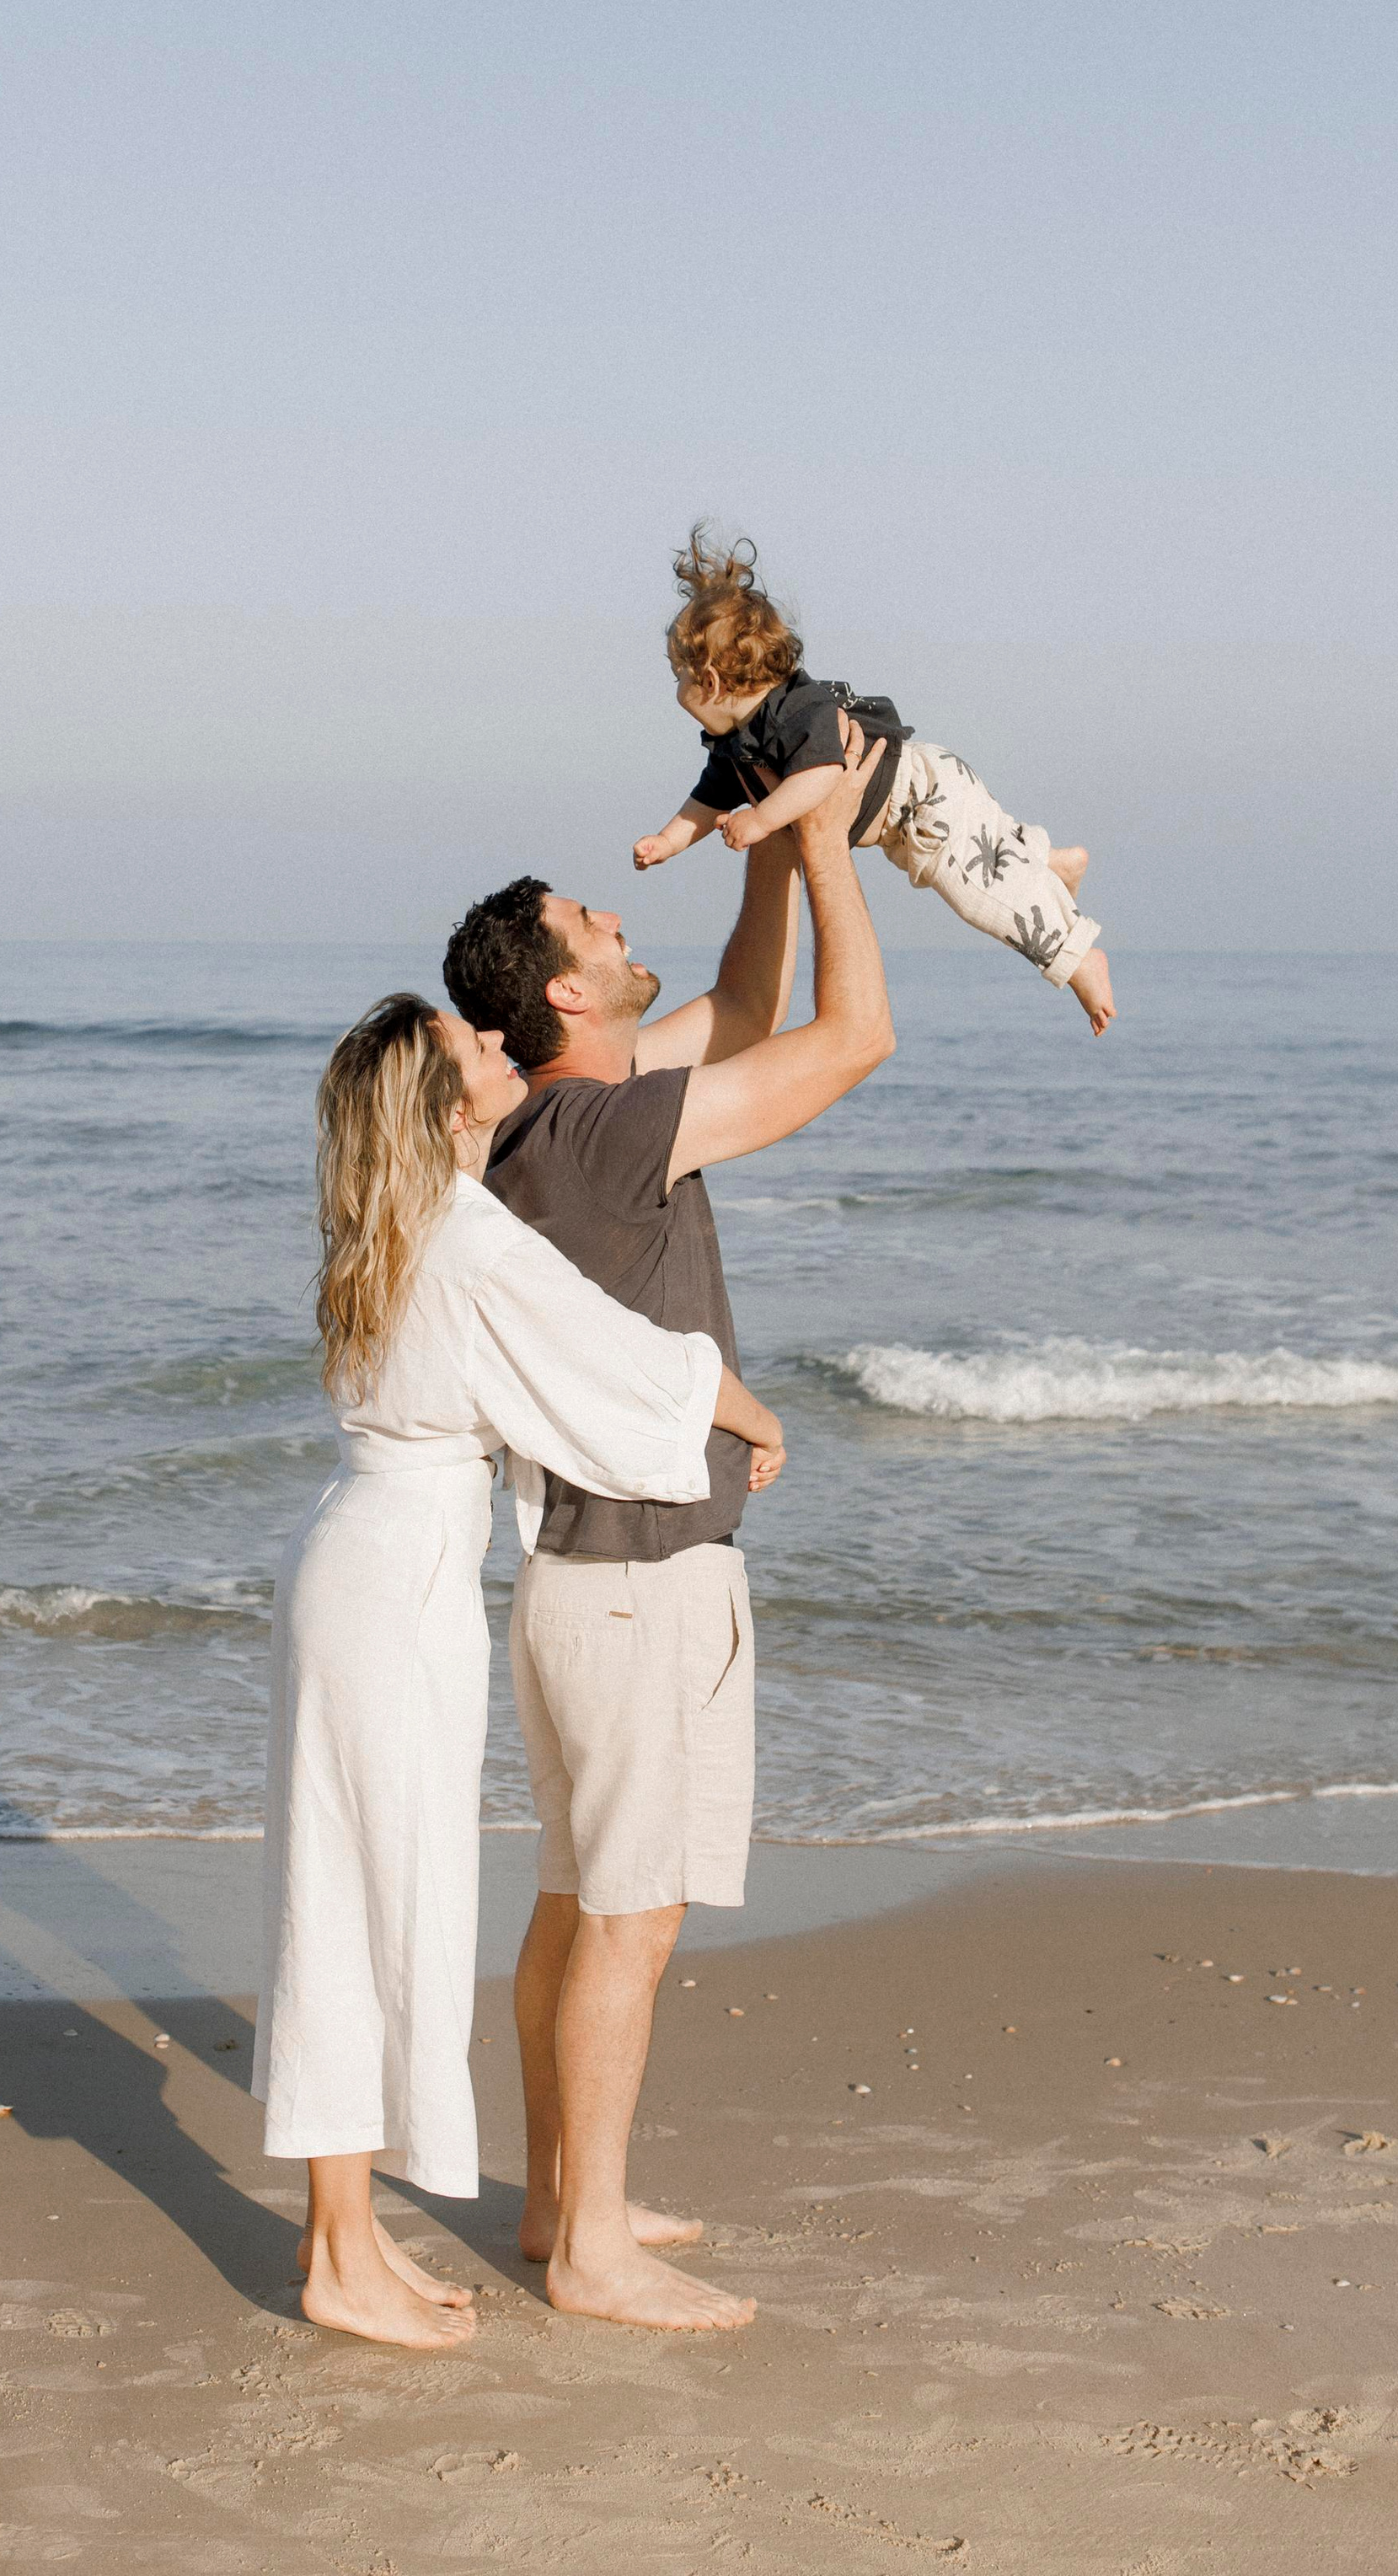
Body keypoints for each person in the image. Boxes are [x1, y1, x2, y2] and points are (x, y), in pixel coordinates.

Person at [254, 992, 786, 2352]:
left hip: (351, 1567)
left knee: (342, 1905)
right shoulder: (469, 1237)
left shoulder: (392, 1226)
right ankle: (339, 2258)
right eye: (473, 1050)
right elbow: (609, 1358)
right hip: (398, 1591)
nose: (499, 1047)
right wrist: (743, 1408)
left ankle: (346, 2243)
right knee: (378, 1910)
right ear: (442, 1111)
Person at [441, 742, 893, 2331]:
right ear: (563, 997)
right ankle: (588, 2256)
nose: (622, 931)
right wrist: (830, 834)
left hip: (587, 1588)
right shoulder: (603, 1134)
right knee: (629, 1916)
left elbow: (751, 1013)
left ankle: (573, 2203)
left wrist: (760, 822)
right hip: (638, 1593)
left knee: (580, 1902)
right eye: (595, 925)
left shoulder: (561, 1131)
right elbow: (852, 1039)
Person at [633, 527, 1116, 1035]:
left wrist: (761, 819)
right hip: (909, 819)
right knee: (984, 860)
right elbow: (706, 801)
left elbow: (823, 774)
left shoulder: (797, 710)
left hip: (924, 800)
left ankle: (1077, 957)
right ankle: (1047, 862)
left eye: (677, 677)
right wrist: (668, 842)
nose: (677, 689)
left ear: (709, 681)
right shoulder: (737, 741)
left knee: (976, 893)